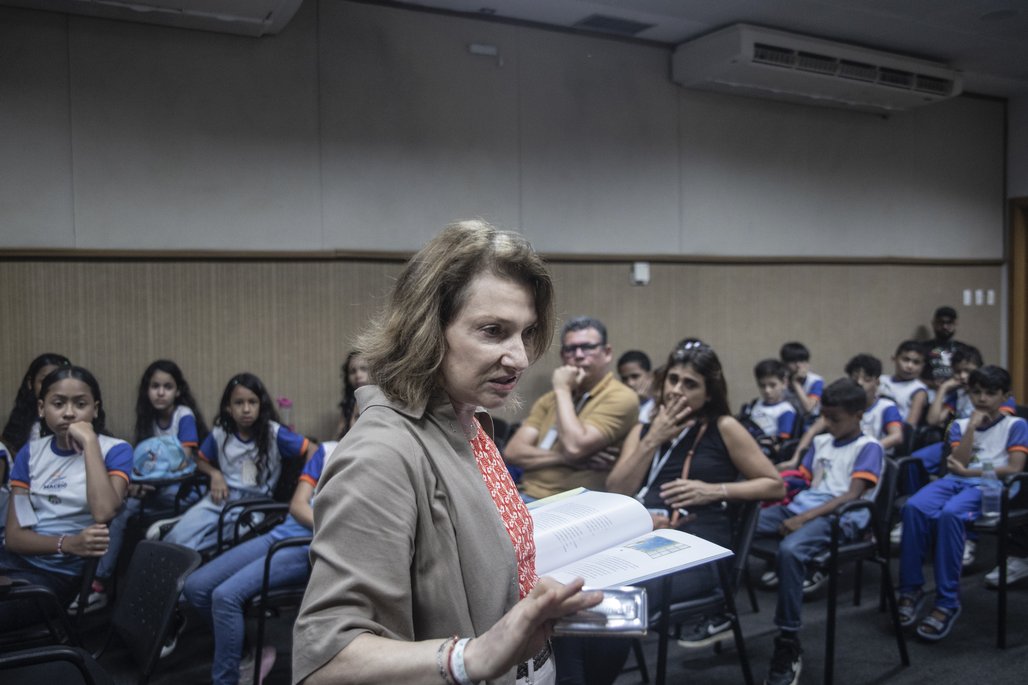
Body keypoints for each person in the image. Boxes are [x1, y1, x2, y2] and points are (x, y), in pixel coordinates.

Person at [292, 221, 602, 685]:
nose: (520, 357)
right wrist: (471, 658)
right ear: (427, 330)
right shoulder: (380, 453)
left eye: (526, 332)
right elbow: (325, 663)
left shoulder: (471, 423)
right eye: (493, 331)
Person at [561, 342, 781, 681]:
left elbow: (774, 484)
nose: (677, 390)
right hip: (640, 539)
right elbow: (618, 490)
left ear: (708, 394)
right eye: (673, 380)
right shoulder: (644, 430)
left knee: (609, 601)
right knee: (569, 594)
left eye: (690, 384)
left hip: (696, 549)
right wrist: (653, 439)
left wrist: (715, 490)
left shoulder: (723, 427)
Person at [757, 378, 884, 685]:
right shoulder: (820, 441)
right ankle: (720, 610)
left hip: (841, 517)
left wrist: (804, 518)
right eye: (824, 417)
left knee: (790, 552)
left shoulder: (869, 447)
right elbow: (803, 480)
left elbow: (852, 496)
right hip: (803, 507)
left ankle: (788, 639)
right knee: (741, 527)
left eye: (835, 419)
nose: (827, 423)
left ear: (858, 415)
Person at [183, 439, 335, 685]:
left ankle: (226, 679)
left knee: (225, 597)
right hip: (282, 534)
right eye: (355, 415)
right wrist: (331, 525)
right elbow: (297, 505)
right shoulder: (327, 451)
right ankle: (246, 653)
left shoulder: (376, 459)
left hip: (307, 547)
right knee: (196, 587)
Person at [896, 365, 1027, 642]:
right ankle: (911, 589)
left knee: (950, 515)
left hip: (992, 486)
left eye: (990, 393)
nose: (982, 399)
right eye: (976, 392)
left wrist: (972, 473)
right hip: (958, 479)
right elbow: (959, 462)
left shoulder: (1016, 425)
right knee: (913, 507)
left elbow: (1014, 467)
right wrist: (970, 428)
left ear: (1006, 395)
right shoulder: (959, 424)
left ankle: (947, 601)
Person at [0, 366, 131, 627]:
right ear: (41, 408)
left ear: (95, 409)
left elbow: (104, 511)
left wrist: (90, 442)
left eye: (80, 404)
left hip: (56, 576)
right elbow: (14, 538)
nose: (69, 413)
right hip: (13, 561)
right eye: (58, 403)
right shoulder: (31, 453)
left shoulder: (116, 450)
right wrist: (67, 543)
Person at [81, 360, 210, 611]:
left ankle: (101, 580)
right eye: (155, 386)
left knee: (124, 509)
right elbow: (145, 466)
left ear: (178, 391)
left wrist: (148, 473)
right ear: (146, 390)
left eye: (167, 387)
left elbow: (182, 457)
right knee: (118, 508)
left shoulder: (183, 416)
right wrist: (139, 483)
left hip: (181, 490)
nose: (160, 392)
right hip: (156, 488)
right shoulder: (148, 419)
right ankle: (101, 582)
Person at [150, 372, 309, 551]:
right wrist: (215, 474)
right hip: (222, 498)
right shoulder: (221, 433)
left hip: (254, 505)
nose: (246, 409)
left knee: (214, 544)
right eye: (239, 403)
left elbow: (312, 450)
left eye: (252, 402)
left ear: (260, 405)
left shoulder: (274, 433)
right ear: (228, 408)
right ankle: (179, 527)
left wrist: (307, 485)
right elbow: (200, 459)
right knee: (175, 539)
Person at [505, 316, 639, 501]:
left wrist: (562, 388)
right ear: (563, 356)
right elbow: (513, 452)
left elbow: (575, 447)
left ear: (607, 352)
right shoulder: (550, 399)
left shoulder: (621, 397)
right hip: (526, 494)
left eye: (587, 347)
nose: (578, 355)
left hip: (576, 502)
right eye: (570, 349)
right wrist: (565, 459)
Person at [1, 353, 72, 456]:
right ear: (31, 383)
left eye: (58, 380)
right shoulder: (19, 423)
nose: (51, 387)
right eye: (44, 381)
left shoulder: (74, 417)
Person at [745, 358, 798, 449]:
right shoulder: (755, 404)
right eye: (762, 386)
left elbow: (782, 442)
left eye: (772, 385)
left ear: (784, 383)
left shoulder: (785, 410)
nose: (767, 391)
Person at [877, 340, 929, 426]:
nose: (910, 366)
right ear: (894, 359)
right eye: (905, 360)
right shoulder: (881, 380)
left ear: (923, 366)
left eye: (916, 362)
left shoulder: (918, 390)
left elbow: (910, 425)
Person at [921, 306, 964, 387]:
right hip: (928, 391)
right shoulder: (922, 348)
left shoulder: (964, 349)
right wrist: (931, 384)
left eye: (949, 323)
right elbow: (913, 376)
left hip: (958, 392)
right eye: (941, 322)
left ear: (955, 324)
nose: (945, 326)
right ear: (933, 323)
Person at [779, 341, 823, 421]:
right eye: (793, 362)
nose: (798, 365)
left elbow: (809, 408)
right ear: (784, 363)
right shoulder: (781, 381)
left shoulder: (815, 381)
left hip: (812, 421)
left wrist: (796, 383)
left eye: (802, 361)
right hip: (791, 421)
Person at [333, 351, 370, 440]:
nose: (358, 375)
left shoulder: (380, 401)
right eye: (353, 371)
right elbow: (338, 436)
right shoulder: (349, 403)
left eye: (364, 369)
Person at [617, 350, 655, 423]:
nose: (630, 383)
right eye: (624, 379)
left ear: (650, 377)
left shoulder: (659, 407)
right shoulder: (619, 408)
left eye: (635, 376)